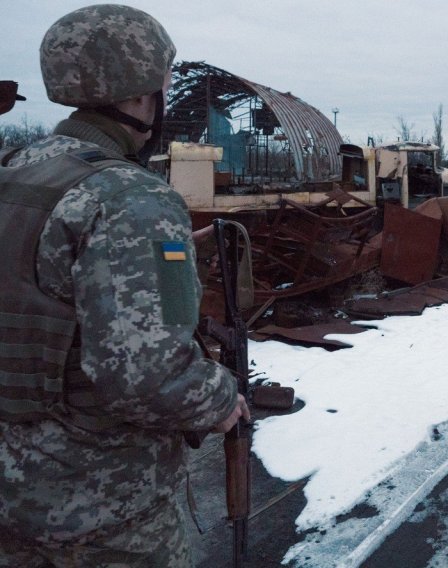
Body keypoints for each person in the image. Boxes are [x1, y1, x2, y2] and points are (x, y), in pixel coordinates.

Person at [0, 5, 249, 566]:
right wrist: (221, 397)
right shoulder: (128, 197)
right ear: (141, 92)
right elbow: (147, 377)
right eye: (163, 81)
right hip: (99, 513)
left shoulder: (15, 167)